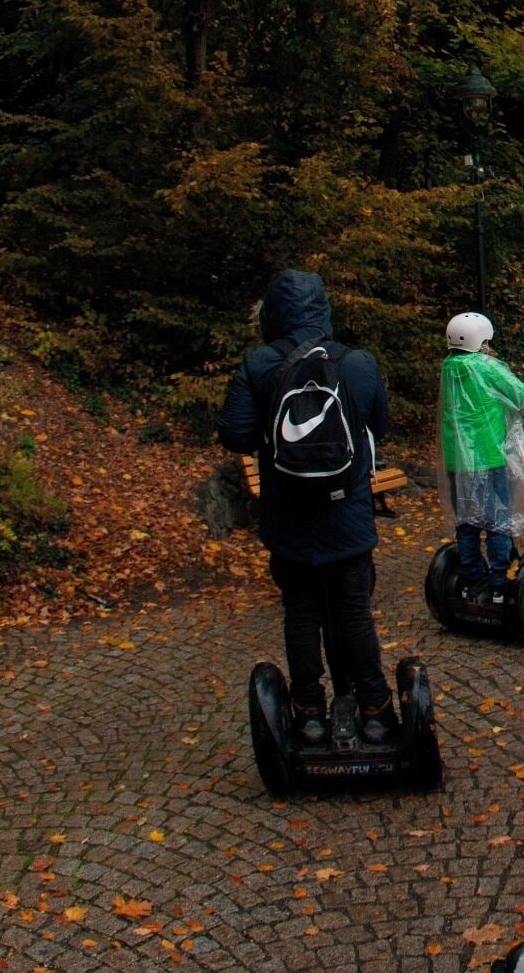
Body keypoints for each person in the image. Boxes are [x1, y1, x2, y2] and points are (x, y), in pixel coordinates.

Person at [218, 270, 396, 746]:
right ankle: (375, 707)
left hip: (289, 517)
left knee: (300, 613)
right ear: (323, 309)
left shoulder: (258, 365)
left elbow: (234, 433)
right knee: (354, 613)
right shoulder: (357, 362)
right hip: (347, 517)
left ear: (274, 312)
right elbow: (379, 425)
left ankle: (309, 710)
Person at [437, 312, 524, 604]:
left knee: (467, 521)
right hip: (487, 457)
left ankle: (471, 580)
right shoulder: (485, 367)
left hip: (456, 460)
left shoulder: (449, 367)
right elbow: (520, 392)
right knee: (497, 519)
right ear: (479, 339)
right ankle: (500, 583)